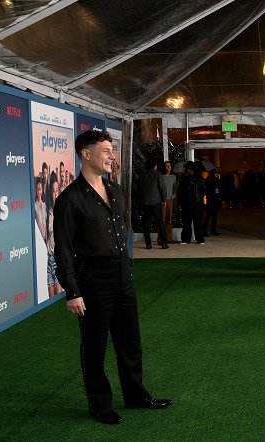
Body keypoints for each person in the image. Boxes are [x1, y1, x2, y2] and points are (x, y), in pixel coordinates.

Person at [53, 130, 172, 425]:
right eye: (106, 150)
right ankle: (100, 404)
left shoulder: (116, 190)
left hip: (122, 274)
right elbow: (64, 249)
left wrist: (127, 267)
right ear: (86, 154)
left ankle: (136, 395)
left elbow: (120, 234)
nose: (112, 156)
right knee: (94, 345)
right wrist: (72, 291)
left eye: (112, 150)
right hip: (93, 279)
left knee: (130, 341)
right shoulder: (69, 199)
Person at [136, 158, 168, 249]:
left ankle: (148, 244)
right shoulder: (157, 174)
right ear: (154, 166)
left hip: (145, 203)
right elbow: (162, 188)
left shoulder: (142, 175)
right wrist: (164, 200)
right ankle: (164, 243)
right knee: (160, 223)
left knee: (146, 224)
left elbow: (138, 189)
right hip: (156, 202)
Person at [178, 161, 206, 244]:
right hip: (187, 205)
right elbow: (180, 192)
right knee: (187, 223)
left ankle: (200, 239)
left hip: (196, 204)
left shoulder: (199, 179)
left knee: (198, 222)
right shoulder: (185, 179)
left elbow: (204, 190)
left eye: (186, 168)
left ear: (190, 169)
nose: (185, 169)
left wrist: (199, 199)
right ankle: (186, 239)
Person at [162, 161, 177, 243]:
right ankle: (161, 238)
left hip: (170, 200)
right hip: (163, 200)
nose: (168, 167)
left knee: (169, 219)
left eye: (169, 166)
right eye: (166, 166)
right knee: (162, 219)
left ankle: (169, 238)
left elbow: (175, 188)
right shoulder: (161, 177)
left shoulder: (174, 177)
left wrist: (174, 195)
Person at [204, 168, 222, 236]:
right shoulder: (211, 179)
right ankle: (206, 230)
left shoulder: (215, 179)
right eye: (217, 173)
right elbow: (210, 189)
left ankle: (213, 230)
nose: (218, 174)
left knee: (213, 216)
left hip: (214, 200)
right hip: (212, 200)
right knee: (209, 216)